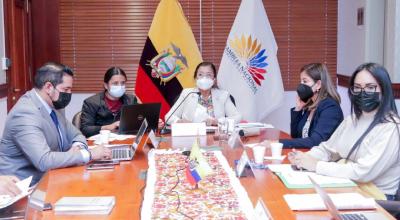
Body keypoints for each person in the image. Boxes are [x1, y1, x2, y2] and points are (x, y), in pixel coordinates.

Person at [289, 63, 400, 200]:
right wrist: (304, 158)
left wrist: (316, 165)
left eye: (370, 87)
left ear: (384, 90)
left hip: (377, 198)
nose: (362, 93)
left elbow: (362, 172)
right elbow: (327, 149)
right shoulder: (352, 120)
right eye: (357, 88)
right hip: (348, 187)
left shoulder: (391, 128)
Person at [0, 62, 111, 184]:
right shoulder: (25, 113)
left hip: (55, 176)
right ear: (48, 87)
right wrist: (88, 154)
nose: (69, 94)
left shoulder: (55, 105)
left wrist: (77, 147)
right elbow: (44, 161)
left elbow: (77, 135)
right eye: (66, 89)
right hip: (25, 187)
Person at [280, 63, 343, 148]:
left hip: (323, 159)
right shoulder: (310, 105)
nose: (301, 85)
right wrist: (298, 108)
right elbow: (295, 136)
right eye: (301, 81)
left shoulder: (331, 108)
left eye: (305, 81)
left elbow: (316, 141)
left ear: (318, 85)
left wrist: (279, 143)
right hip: (305, 155)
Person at [165, 61, 241, 126]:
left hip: (215, 137)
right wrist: (179, 121)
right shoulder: (187, 93)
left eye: (208, 75)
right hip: (190, 137)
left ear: (214, 80)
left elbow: (237, 117)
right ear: (196, 78)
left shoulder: (223, 95)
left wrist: (217, 121)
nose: (204, 78)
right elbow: (168, 117)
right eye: (200, 75)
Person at [80, 67, 138, 137]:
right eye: (115, 83)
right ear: (106, 85)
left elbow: (138, 123)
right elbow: (85, 129)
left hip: (124, 140)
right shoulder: (91, 102)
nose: (120, 86)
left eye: (122, 83)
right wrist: (106, 128)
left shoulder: (131, 100)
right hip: (100, 142)